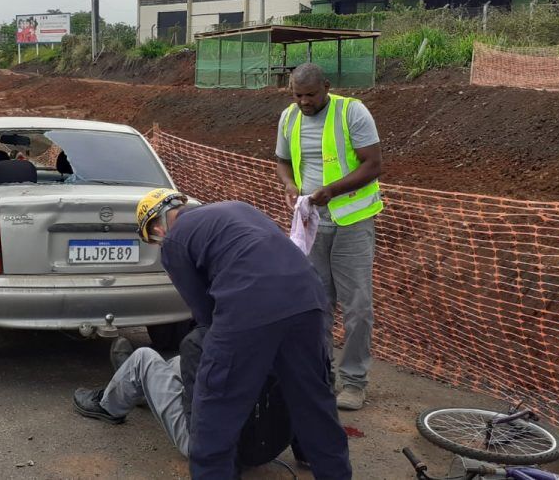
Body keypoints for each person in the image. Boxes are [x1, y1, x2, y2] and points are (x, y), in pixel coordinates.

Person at [135, 189, 352, 479]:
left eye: (153, 238)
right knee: (314, 403)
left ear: (158, 227)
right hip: (308, 298)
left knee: (215, 411)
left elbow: (204, 313)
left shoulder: (174, 240)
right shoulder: (237, 208)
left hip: (248, 305)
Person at [274, 62, 383, 411]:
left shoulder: (351, 112)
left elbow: (373, 163)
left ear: (326, 87)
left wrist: (331, 190)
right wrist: (290, 185)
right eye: (297, 95)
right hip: (312, 223)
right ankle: (322, 375)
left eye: (310, 95)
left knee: (357, 307)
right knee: (316, 304)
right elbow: (282, 161)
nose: (304, 102)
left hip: (352, 222)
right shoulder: (288, 118)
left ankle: (353, 382)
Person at [73, 330, 293, 469]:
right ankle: (138, 386)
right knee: (178, 363)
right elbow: (304, 403)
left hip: (214, 450)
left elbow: (200, 421)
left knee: (145, 358)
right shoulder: (282, 337)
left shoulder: (200, 343)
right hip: (266, 449)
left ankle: (110, 405)